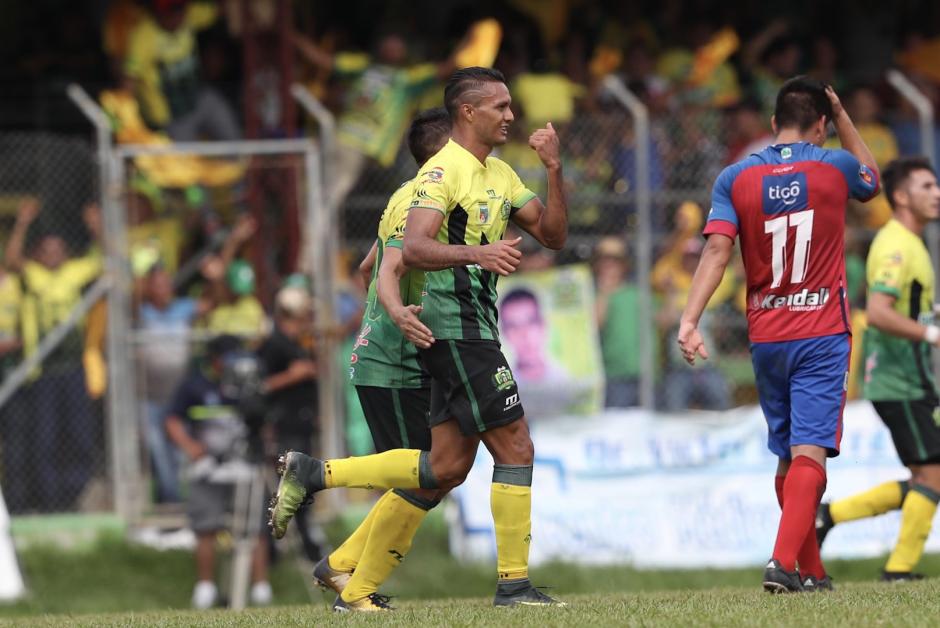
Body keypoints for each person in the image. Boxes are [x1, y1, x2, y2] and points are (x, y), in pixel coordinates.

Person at [270, 67, 568, 608]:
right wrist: (399, 313)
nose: (511, 115)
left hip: (448, 334)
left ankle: (334, 532)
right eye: (499, 106)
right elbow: (397, 257)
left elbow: (554, 234)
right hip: (440, 338)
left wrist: (553, 168)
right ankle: (512, 584)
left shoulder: (498, 174)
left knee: (444, 467)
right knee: (504, 448)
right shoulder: (435, 181)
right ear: (466, 115)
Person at [677, 76, 880, 592]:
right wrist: (843, 118)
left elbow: (717, 251)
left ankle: (812, 572)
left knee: (790, 455)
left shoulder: (735, 177)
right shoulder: (832, 164)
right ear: (821, 126)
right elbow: (872, 181)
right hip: (821, 330)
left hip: (767, 334)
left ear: (772, 126)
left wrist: (690, 319)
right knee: (810, 453)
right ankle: (782, 564)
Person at [290, 107, 452, 613]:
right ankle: (317, 482)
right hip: (397, 361)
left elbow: (368, 267)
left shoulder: (403, 196)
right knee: (427, 475)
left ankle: (342, 569)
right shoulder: (426, 202)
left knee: (428, 476)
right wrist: (398, 321)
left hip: (385, 355)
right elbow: (387, 268)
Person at [816, 157, 940, 581]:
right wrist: (931, 336)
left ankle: (829, 516)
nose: (937, 193)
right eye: (926, 186)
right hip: (900, 381)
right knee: (933, 475)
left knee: (928, 476)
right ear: (902, 196)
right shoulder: (895, 246)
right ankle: (899, 569)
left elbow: (907, 308)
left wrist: (930, 319)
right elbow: (880, 313)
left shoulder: (913, 242)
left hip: (912, 379)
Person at [4, 199, 104, 512]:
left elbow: (109, 258)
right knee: (44, 441)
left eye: (57, 249)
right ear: (39, 254)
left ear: (65, 253)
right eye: (46, 250)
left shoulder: (75, 273)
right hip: (42, 370)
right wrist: (22, 223)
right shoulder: (33, 275)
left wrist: (96, 226)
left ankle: (70, 497)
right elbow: (12, 259)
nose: (52, 255)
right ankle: (48, 502)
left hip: (73, 368)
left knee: (79, 437)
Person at [291, 29, 463, 210]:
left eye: (396, 46)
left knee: (326, 192)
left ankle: (317, 231)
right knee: (329, 196)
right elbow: (324, 60)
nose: (392, 49)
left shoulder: (406, 78)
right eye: (389, 44)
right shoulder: (371, 68)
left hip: (359, 144)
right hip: (352, 142)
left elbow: (448, 67)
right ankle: (311, 235)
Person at [165, 334, 272, 609]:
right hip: (208, 468)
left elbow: (264, 420)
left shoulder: (248, 384)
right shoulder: (195, 385)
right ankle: (205, 587)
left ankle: (260, 587)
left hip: (245, 465)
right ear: (214, 359)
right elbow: (172, 420)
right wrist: (191, 447)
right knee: (206, 527)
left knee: (254, 527)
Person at [256, 285, 321, 561]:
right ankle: (285, 547)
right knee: (290, 488)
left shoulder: (299, 343)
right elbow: (260, 385)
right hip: (284, 426)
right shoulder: (274, 344)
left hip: (301, 424)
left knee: (301, 486)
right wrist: (293, 376)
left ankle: (306, 543)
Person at [124, 0, 241, 141]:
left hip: (198, 99)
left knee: (225, 121)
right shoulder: (143, 37)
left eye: (180, 8)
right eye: (172, 10)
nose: (179, 15)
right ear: (158, 12)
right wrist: (127, 115)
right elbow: (129, 78)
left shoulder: (190, 16)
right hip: (170, 117)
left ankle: (244, 160)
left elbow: (220, 10)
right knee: (183, 160)